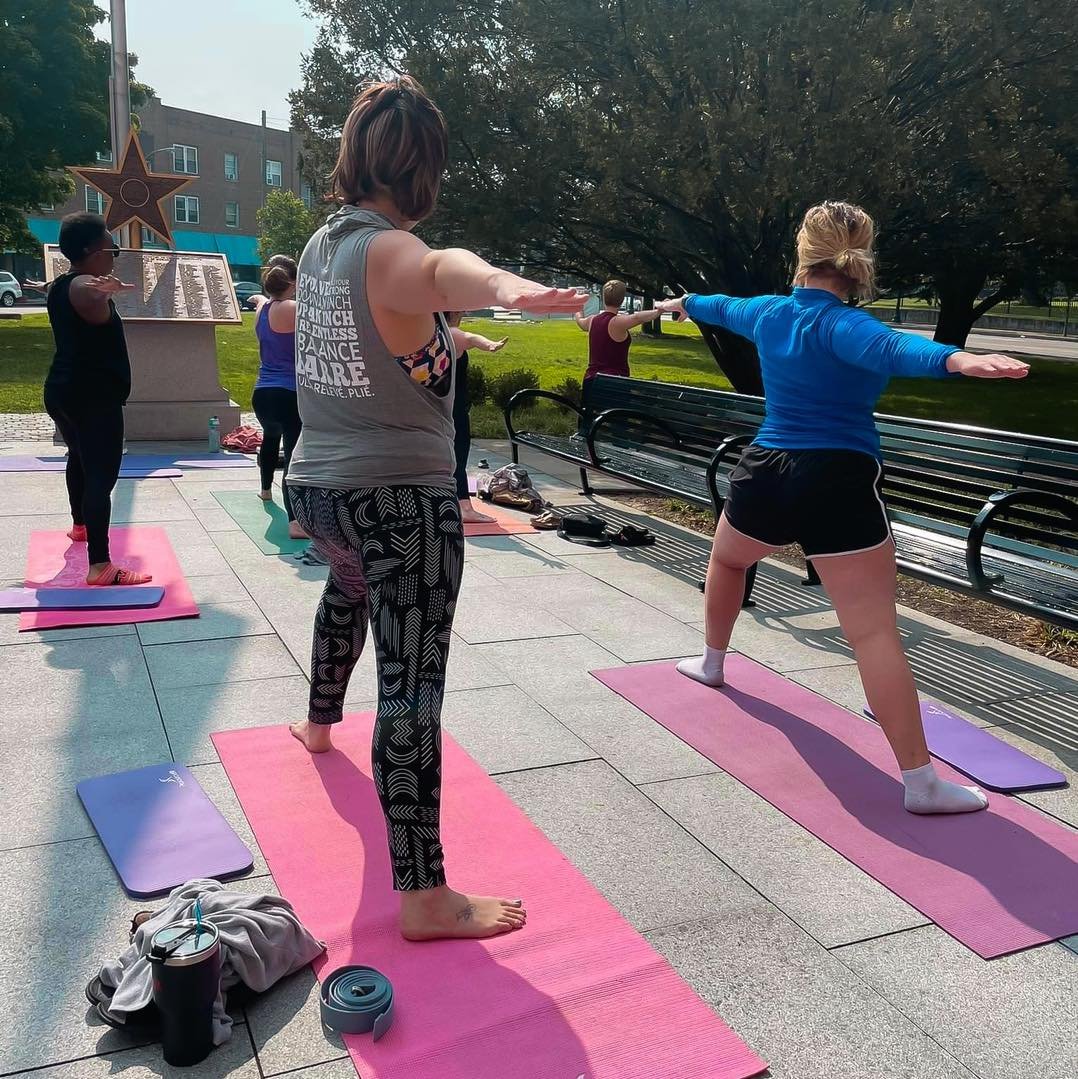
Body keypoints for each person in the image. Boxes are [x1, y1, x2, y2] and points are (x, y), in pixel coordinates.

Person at [285, 76, 583, 941]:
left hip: (320, 490)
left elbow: (389, 325)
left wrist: (455, 334)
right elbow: (439, 269)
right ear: (424, 173)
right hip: (397, 498)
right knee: (412, 689)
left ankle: (316, 723)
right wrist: (509, 288)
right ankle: (423, 895)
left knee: (346, 593)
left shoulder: (321, 247)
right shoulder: (389, 249)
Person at [657, 200, 1029, 816]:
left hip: (766, 475)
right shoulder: (842, 324)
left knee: (728, 562)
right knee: (874, 632)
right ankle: (921, 784)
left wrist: (682, 305)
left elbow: (721, 305)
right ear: (859, 263)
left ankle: (711, 661)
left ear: (802, 255)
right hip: (836, 480)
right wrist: (960, 359)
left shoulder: (771, 313)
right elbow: (893, 347)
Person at [44, 212, 151, 586]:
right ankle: (100, 565)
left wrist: (103, 287)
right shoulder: (85, 286)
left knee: (79, 458)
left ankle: (80, 526)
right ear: (92, 250)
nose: (114, 255)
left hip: (62, 391)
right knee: (101, 477)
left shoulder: (61, 283)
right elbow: (86, 292)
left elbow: (74, 290)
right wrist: (106, 289)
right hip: (91, 398)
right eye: (113, 248)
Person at [249, 257, 307, 539]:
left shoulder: (262, 310)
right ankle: (295, 522)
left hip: (262, 394)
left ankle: (264, 490)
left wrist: (262, 295)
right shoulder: (294, 308)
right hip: (289, 393)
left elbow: (260, 300)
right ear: (293, 284)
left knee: (270, 438)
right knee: (294, 454)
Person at [445, 310, 507, 523]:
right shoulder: (452, 333)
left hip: (436, 405)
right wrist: (490, 344)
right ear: (453, 310)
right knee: (458, 455)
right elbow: (472, 338)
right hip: (454, 408)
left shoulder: (430, 333)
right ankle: (465, 508)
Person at [574, 279, 658, 383]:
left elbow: (580, 321)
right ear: (622, 299)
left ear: (604, 298)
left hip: (591, 381)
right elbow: (638, 317)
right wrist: (661, 309)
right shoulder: (618, 322)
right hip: (614, 384)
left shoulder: (592, 320)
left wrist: (578, 306)